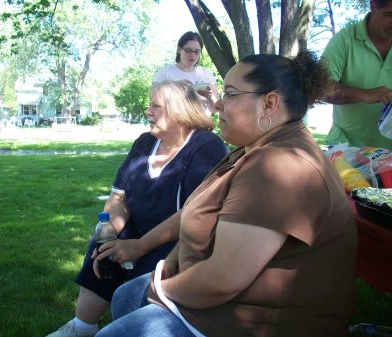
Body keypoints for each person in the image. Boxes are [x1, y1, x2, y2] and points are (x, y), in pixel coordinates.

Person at [95, 51, 358, 337]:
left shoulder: (281, 164)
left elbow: (222, 279)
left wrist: (160, 288)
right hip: (217, 305)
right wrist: (154, 255)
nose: (218, 103)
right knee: (126, 295)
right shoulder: (252, 150)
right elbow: (198, 209)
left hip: (249, 322)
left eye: (230, 94)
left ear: (269, 104)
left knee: (125, 310)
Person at [46, 81, 229, 337]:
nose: (148, 111)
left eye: (156, 106)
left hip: (179, 239)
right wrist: (109, 233)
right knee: (104, 241)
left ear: (179, 111)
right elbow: (119, 198)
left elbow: (195, 214)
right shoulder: (145, 143)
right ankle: (82, 327)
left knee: (149, 262)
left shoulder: (205, 147)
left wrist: (140, 245)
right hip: (138, 228)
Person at [322, 0, 392, 149]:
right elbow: (321, 88)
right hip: (348, 150)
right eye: (389, 14)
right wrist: (363, 94)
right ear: (372, 6)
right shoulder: (344, 40)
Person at [154, 31, 218, 115]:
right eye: (188, 50)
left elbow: (214, 110)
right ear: (179, 50)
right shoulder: (165, 73)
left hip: (201, 125)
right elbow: (154, 99)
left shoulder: (206, 74)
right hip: (173, 124)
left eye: (197, 51)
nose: (192, 55)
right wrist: (176, 86)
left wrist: (210, 98)